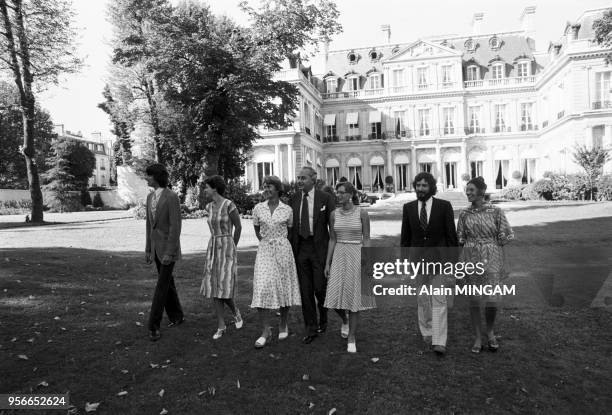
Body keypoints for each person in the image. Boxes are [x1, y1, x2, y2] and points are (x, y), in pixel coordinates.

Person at [400, 172, 458, 355]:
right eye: (418, 185)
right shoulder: (408, 208)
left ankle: (440, 340)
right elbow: (405, 237)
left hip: (439, 260)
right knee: (422, 299)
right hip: (417, 261)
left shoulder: (444, 206)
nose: (420, 189)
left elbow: (451, 236)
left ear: (431, 187)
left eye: (424, 185)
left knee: (439, 299)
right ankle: (426, 331)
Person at [289, 167, 347, 344]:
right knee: (306, 291)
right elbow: (292, 227)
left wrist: (335, 253)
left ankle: (326, 316)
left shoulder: (326, 198)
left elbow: (333, 228)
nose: (299, 181)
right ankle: (311, 328)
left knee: (320, 289)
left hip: (320, 250)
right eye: (298, 178)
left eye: (303, 178)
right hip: (301, 250)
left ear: (313, 179)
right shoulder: (294, 199)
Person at [457, 177, 514, 353]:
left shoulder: (496, 212)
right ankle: (477, 337)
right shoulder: (464, 214)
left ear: (482, 191)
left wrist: (505, 263)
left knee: (492, 299)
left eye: (471, 190)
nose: (468, 193)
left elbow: (504, 238)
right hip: (471, 257)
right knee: (474, 299)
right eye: (467, 190)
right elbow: (461, 240)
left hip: (493, 256)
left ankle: (490, 332)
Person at [324, 181, 375, 353]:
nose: (338, 196)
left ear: (351, 194)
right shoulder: (333, 214)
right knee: (334, 297)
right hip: (339, 255)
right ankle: (344, 320)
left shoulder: (362, 213)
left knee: (354, 299)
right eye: (336, 193)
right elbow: (332, 239)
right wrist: (327, 262)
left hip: (356, 254)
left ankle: (352, 337)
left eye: (341, 193)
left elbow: (366, 238)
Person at [250, 176, 301, 348]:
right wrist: (267, 242)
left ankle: (283, 323)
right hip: (265, 250)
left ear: (278, 189)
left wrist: (279, 243)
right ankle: (266, 330)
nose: (266, 188)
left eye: (269, 186)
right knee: (262, 287)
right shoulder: (258, 208)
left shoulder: (287, 209)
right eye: (264, 186)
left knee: (283, 287)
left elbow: (291, 230)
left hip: (283, 250)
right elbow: (257, 231)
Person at [200, 175, 244, 340]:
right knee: (214, 288)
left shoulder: (229, 205)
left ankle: (236, 312)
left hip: (227, 246)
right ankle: (221, 325)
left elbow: (238, 227)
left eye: (206, 187)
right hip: (213, 247)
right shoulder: (208, 207)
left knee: (224, 287)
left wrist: (233, 246)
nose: (204, 190)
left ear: (215, 188)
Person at [144, 163, 184, 342]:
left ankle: (153, 325)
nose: (146, 178)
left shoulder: (172, 197)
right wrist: (147, 249)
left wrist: (169, 252)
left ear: (157, 176)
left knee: (161, 287)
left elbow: (176, 227)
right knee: (168, 284)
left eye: (149, 175)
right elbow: (149, 226)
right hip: (155, 249)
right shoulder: (150, 197)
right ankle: (177, 315)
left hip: (168, 249)